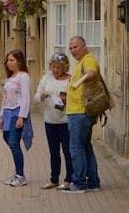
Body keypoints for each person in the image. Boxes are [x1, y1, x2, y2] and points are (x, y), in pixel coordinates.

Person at [63, 36, 101, 194]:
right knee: (85, 147)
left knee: (76, 148)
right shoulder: (80, 63)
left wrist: (83, 79)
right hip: (77, 112)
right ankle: (93, 182)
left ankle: (78, 183)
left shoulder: (88, 59)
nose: (73, 51)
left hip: (79, 113)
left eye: (75, 47)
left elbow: (92, 72)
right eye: (71, 48)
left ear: (84, 46)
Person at [35, 52, 74, 190]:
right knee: (53, 151)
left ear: (64, 67)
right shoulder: (46, 78)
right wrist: (42, 96)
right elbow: (36, 96)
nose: (55, 70)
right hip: (50, 120)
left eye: (58, 67)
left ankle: (69, 179)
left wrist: (66, 98)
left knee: (67, 151)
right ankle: (54, 179)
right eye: (53, 67)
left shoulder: (70, 80)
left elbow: (77, 98)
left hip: (65, 120)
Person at [0, 49, 33, 187]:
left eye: (12, 60)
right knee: (7, 137)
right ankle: (17, 171)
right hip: (7, 111)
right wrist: (1, 115)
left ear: (19, 61)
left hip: (17, 111)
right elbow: (5, 98)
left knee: (14, 142)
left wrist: (21, 117)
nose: (9, 63)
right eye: (8, 60)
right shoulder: (9, 77)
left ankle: (20, 175)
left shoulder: (23, 77)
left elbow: (25, 97)